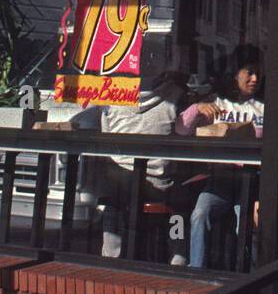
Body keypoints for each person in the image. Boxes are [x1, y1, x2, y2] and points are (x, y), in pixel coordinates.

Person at [93, 40, 189, 265]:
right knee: (184, 205)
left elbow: (102, 134)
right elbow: (184, 134)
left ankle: (109, 262)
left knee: (112, 204)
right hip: (160, 185)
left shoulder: (109, 96)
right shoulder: (175, 96)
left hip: (119, 185)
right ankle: (179, 262)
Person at [176, 46, 264, 268]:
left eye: (257, 73)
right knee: (199, 215)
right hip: (221, 179)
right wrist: (197, 108)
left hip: (252, 181)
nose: (254, 78)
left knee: (246, 225)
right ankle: (197, 271)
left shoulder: (264, 107)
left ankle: (253, 275)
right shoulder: (218, 103)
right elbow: (181, 129)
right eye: (249, 73)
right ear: (235, 74)